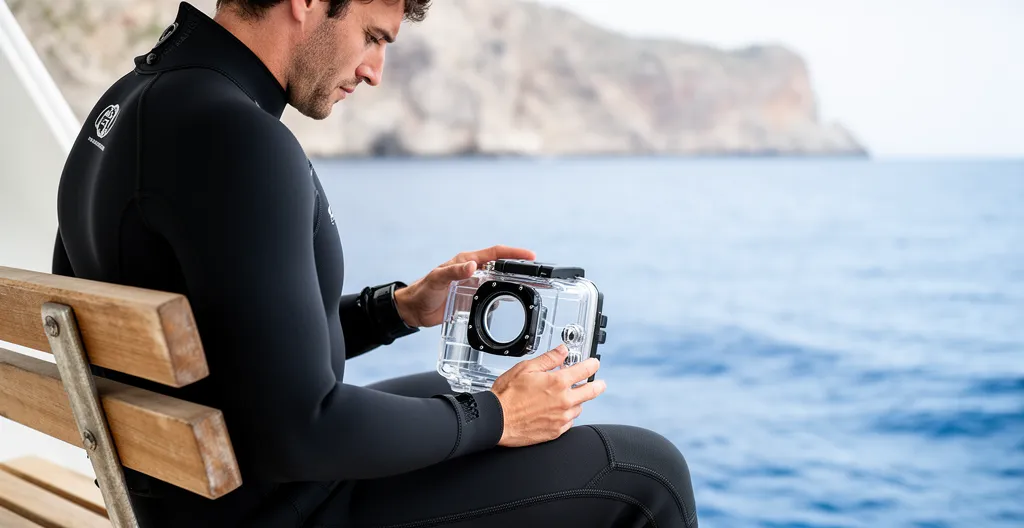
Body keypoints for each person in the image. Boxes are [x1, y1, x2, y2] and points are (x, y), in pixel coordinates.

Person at [50, 0, 699, 526]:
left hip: (187, 493)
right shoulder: (239, 139)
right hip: (275, 505)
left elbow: (233, 336)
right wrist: (501, 417)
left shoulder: (128, 104)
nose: (374, 71)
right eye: (371, 36)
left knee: (457, 390)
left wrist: (398, 309)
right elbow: (304, 432)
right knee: (649, 470)